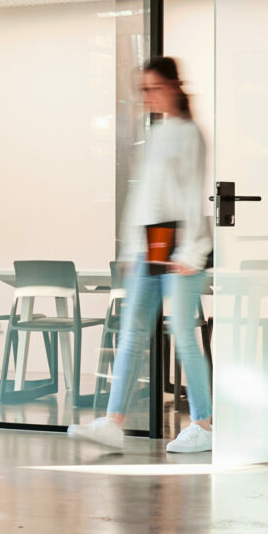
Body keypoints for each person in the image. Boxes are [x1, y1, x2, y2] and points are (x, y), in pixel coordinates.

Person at [69, 56, 213, 453]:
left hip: (181, 244)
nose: (146, 97)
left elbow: (191, 195)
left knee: (184, 333)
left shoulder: (189, 133)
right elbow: (145, 196)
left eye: (153, 88)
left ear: (172, 86)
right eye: (142, 91)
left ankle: (204, 423)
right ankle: (113, 422)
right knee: (131, 333)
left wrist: (190, 251)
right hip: (151, 243)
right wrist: (133, 247)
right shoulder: (158, 134)